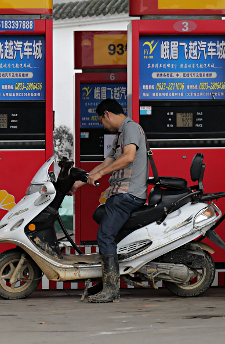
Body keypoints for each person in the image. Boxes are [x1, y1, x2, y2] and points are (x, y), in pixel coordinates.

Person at [70, 99, 148, 303]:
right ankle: (108, 278)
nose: (103, 126)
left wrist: (102, 173)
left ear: (107, 114)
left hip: (128, 194)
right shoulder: (119, 137)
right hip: (119, 193)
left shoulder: (131, 128)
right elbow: (106, 163)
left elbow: (129, 157)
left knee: (105, 235)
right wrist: (81, 182)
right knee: (100, 217)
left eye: (101, 121)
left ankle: (112, 289)